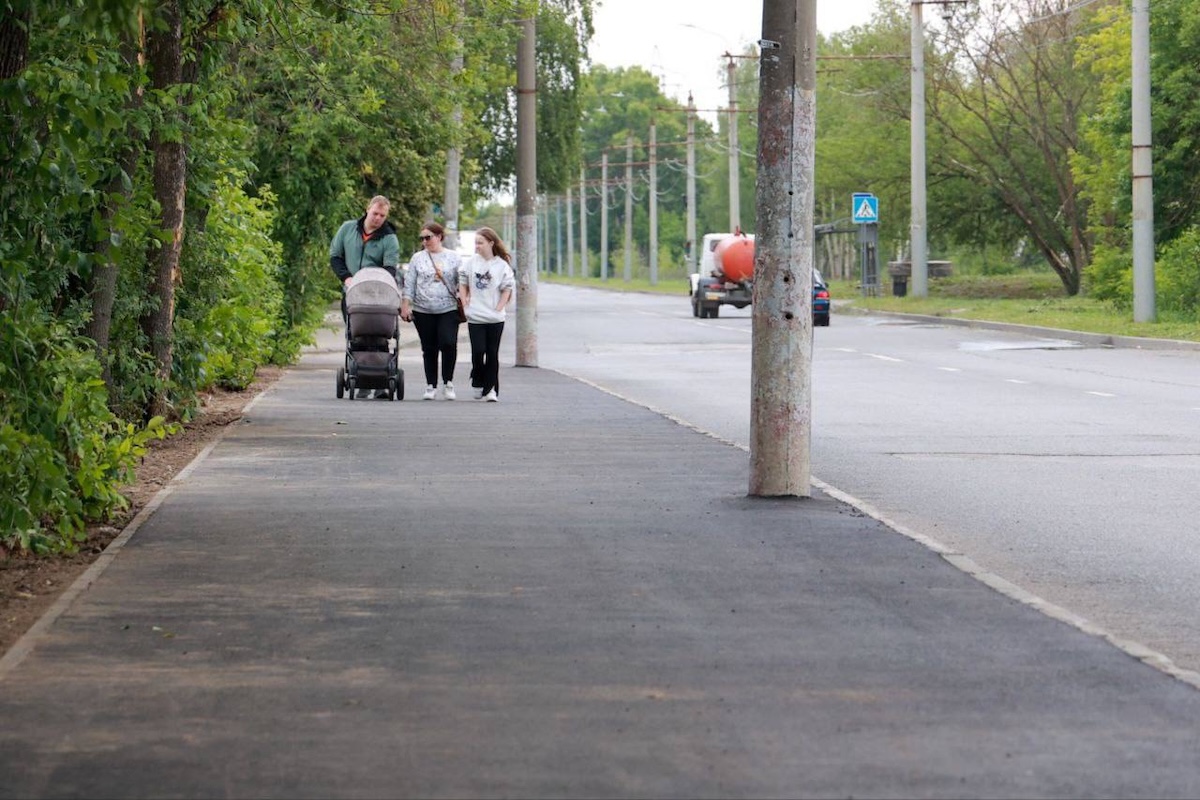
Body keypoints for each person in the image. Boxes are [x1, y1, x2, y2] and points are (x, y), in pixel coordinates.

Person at [330, 196, 401, 398]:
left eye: (382, 215)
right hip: (352, 292)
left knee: (379, 337)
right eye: (375, 213)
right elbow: (335, 256)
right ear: (367, 209)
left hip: (378, 295)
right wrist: (346, 278)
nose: (378, 218)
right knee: (357, 336)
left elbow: (390, 268)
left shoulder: (389, 238)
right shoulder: (347, 229)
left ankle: (380, 383)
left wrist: (377, 282)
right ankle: (360, 380)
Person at [400, 222, 463, 400]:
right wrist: (405, 304)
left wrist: (466, 299)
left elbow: (463, 282)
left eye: (428, 237)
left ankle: (448, 382)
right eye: (422, 238)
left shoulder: (454, 257)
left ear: (439, 237)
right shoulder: (417, 258)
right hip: (423, 308)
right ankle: (431, 385)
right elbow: (410, 282)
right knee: (429, 348)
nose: (425, 241)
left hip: (448, 308)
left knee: (448, 342)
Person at [458, 227, 515, 402]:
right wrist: (465, 303)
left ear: (491, 243)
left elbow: (507, 288)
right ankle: (477, 380)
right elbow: (462, 282)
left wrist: (499, 307)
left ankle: (491, 390)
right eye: (475, 243)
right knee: (478, 351)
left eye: (480, 243)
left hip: (495, 318)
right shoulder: (471, 263)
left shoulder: (501, 265)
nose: (477, 246)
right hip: (475, 316)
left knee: (492, 353)